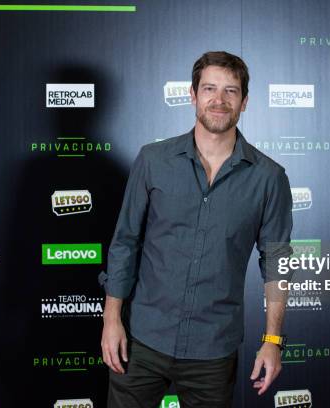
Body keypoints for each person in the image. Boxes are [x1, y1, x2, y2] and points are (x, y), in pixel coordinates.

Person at [98, 50, 293, 408]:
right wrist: (112, 320)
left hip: (213, 350)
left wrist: (273, 340)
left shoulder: (269, 178)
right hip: (142, 340)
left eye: (231, 91)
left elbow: (276, 264)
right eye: (209, 89)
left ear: (245, 102)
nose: (219, 101)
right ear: (192, 95)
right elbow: (125, 242)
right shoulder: (153, 161)